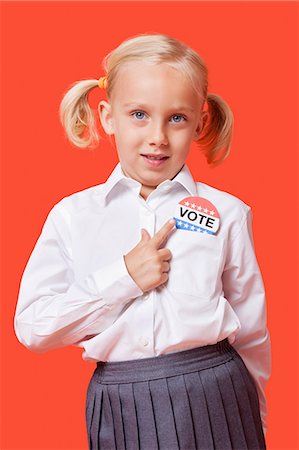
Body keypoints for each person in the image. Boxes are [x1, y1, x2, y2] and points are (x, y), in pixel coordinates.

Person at [14, 32, 271, 450]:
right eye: (138, 114)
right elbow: (33, 328)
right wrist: (124, 279)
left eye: (176, 118)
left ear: (200, 123)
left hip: (218, 395)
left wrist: (254, 419)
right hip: (120, 402)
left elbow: (253, 330)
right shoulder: (73, 217)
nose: (158, 136)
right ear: (107, 116)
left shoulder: (229, 213)